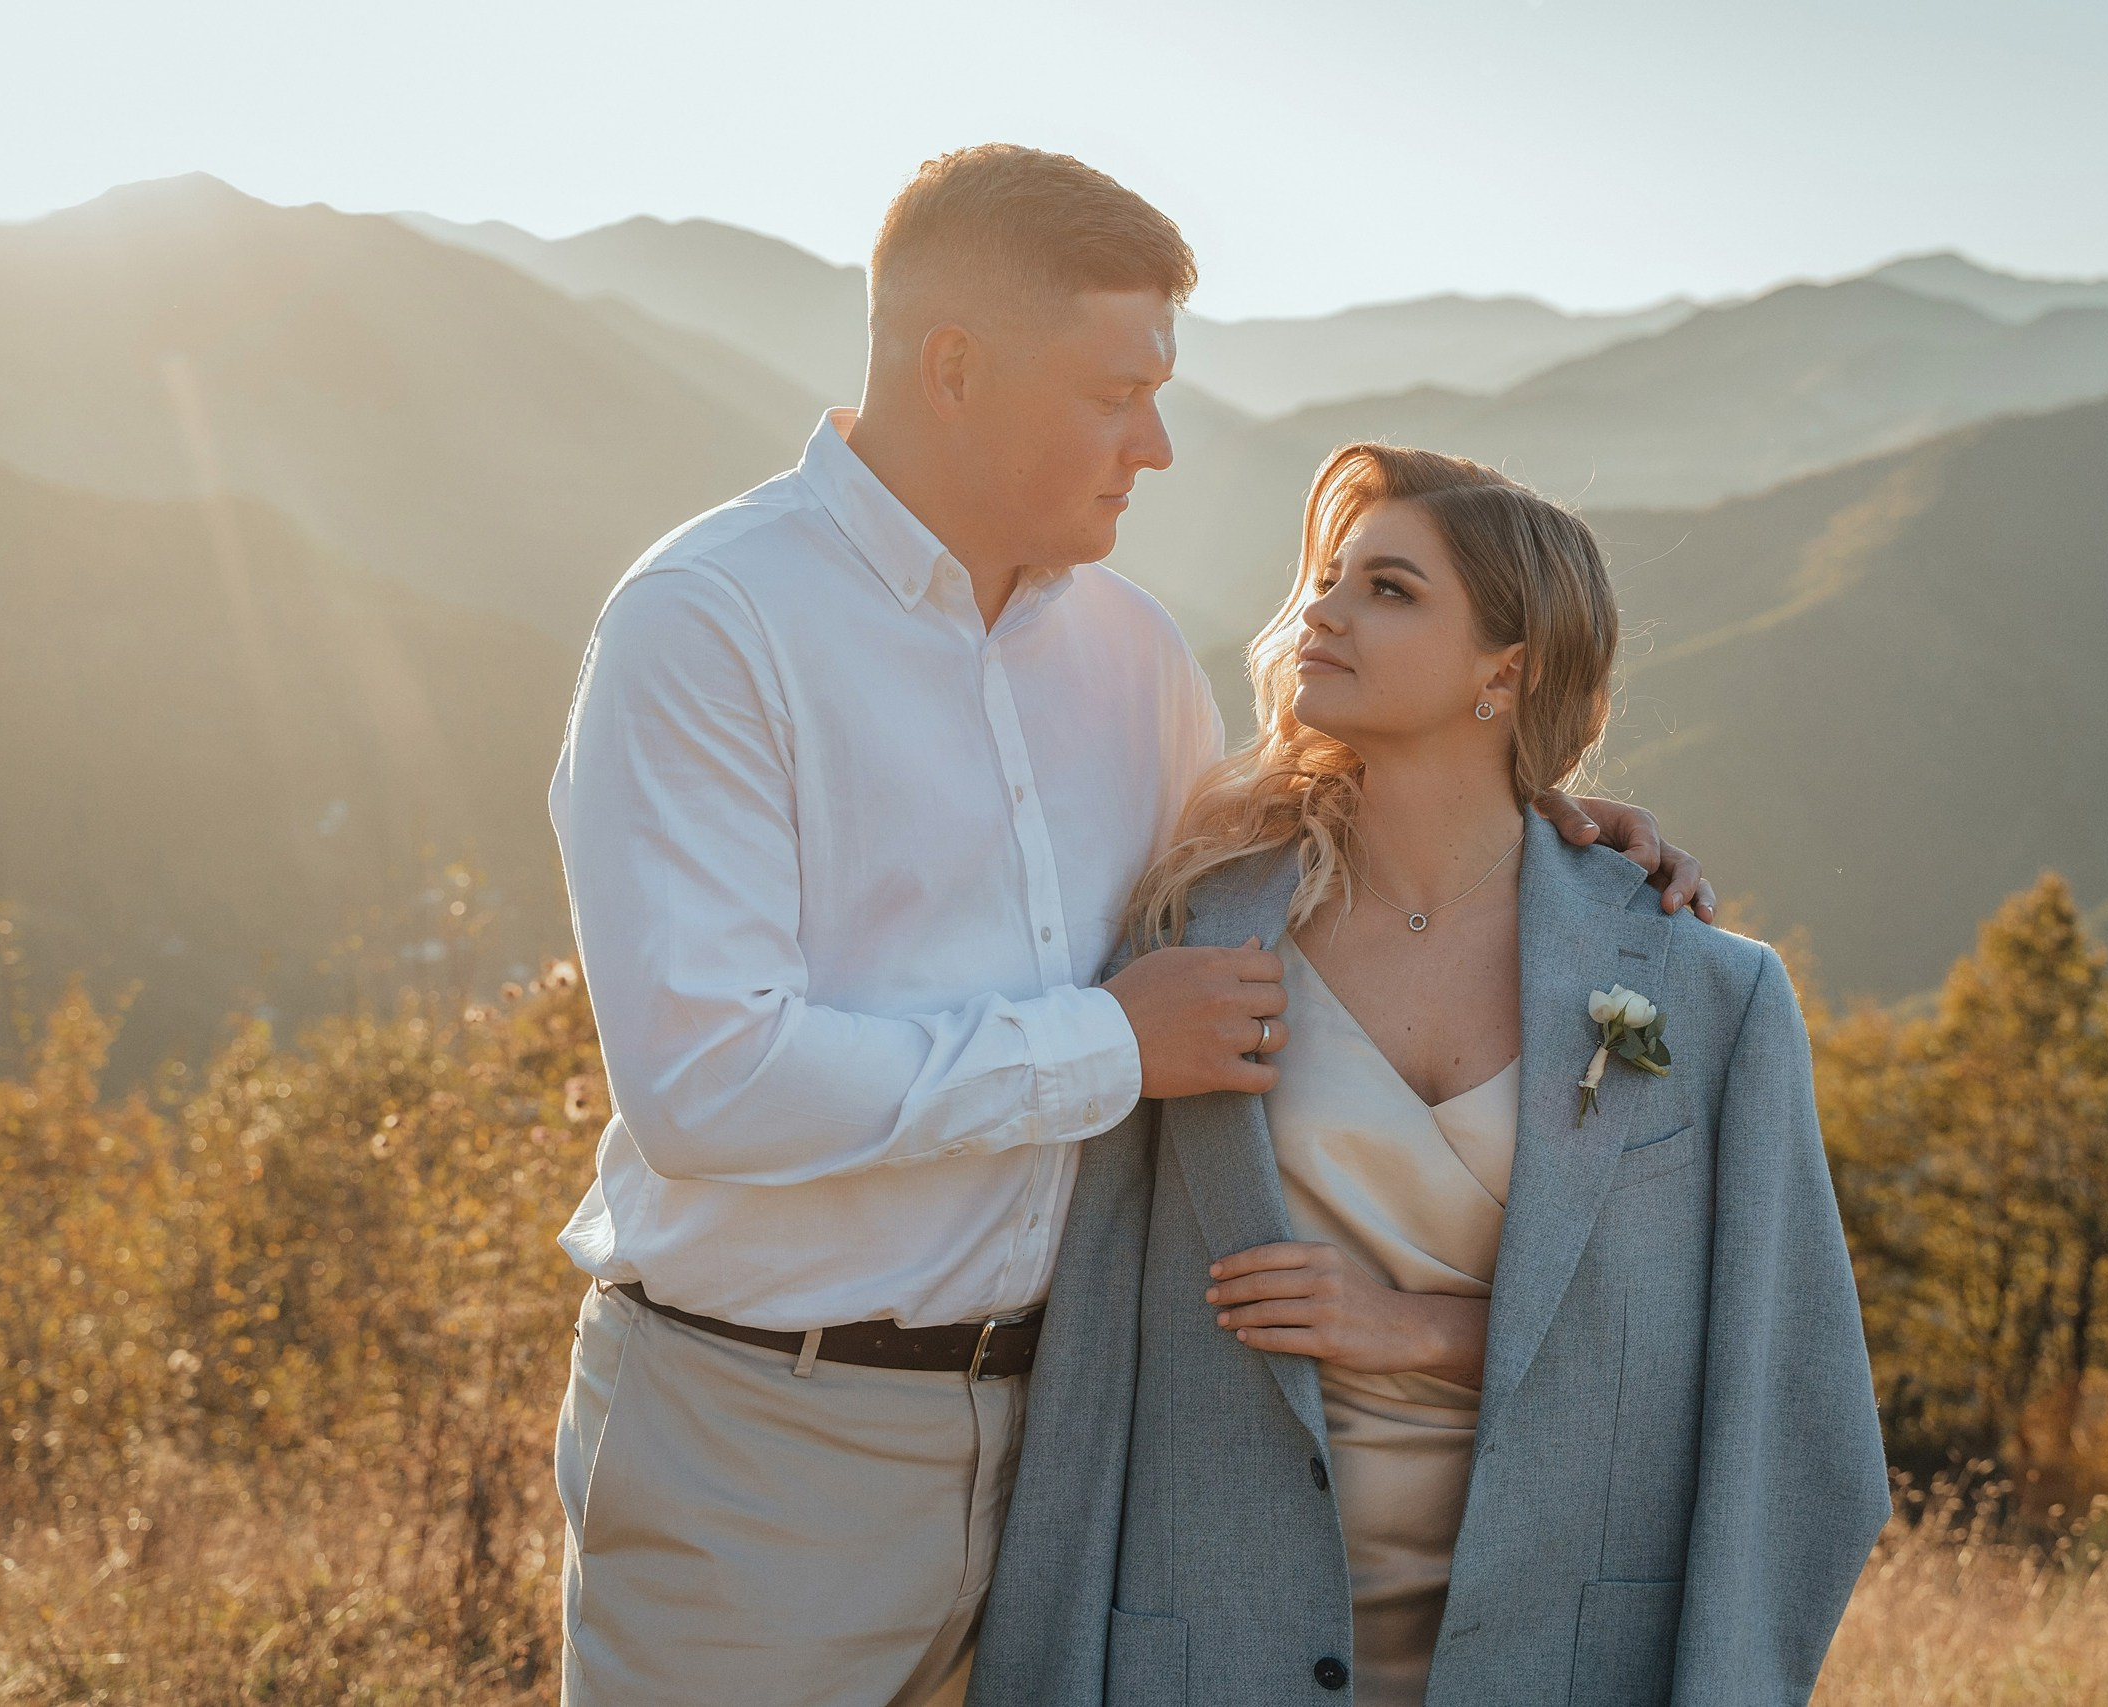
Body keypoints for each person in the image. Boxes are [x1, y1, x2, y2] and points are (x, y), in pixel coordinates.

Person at [547, 148, 1713, 1707]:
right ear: (951, 368)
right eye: (1117, 393)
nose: (1157, 446)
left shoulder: (1128, 648)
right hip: (768, 1446)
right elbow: (705, 1086)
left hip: (1084, 1450)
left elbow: (1292, 864)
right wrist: (1109, 1044)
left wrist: (1555, 829)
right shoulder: (710, 621)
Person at [970, 444, 1887, 1707]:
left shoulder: (1705, 995)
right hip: (1211, 1640)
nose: (1323, 613)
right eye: (1331, 579)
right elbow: (1091, 1370)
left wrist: (1413, 1330)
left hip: (1561, 1650)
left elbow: (1785, 1408)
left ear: (1504, 670)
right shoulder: (1190, 942)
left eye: (1389, 590)